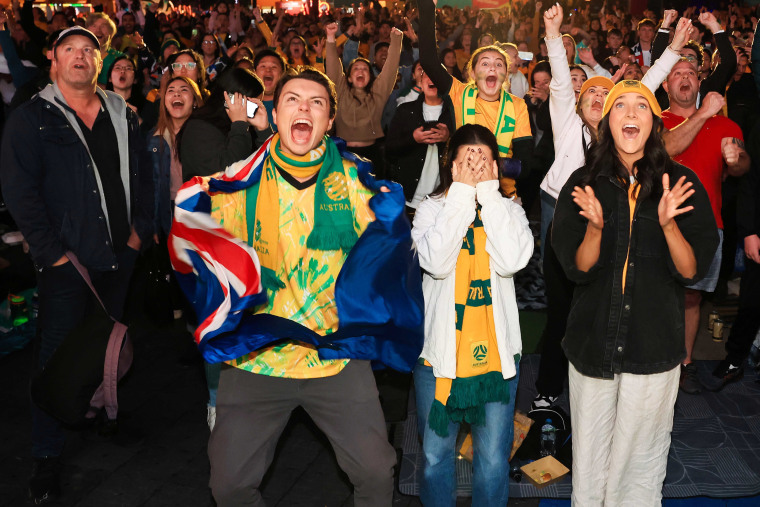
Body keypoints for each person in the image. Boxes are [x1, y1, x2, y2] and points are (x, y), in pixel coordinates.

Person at [187, 68, 416, 506]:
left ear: (330, 121)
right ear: (275, 115)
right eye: (292, 99)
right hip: (258, 358)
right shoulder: (237, 181)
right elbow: (203, 246)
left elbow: (387, 260)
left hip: (334, 356)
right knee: (229, 485)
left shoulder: (357, 183)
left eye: (316, 102)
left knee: (375, 471)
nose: (304, 108)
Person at [0, 26, 152, 504]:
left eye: (88, 49)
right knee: (55, 358)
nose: (79, 57)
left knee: (106, 346)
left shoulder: (123, 114)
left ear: (100, 59)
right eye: (69, 49)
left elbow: (145, 179)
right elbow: (20, 195)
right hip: (66, 266)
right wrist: (54, 256)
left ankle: (103, 415)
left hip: (119, 256)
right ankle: (46, 456)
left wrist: (136, 237)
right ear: (53, 59)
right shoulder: (31, 119)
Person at [551, 79, 719, 506]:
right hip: (593, 341)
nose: (630, 113)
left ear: (655, 123)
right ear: (607, 122)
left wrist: (667, 225)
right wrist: (595, 226)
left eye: (641, 107)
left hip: (653, 343)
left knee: (641, 459)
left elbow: (690, 270)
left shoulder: (680, 183)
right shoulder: (583, 181)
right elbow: (578, 269)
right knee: (589, 457)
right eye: (620, 106)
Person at [531, 3, 689, 410]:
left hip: (611, 213)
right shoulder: (566, 121)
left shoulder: (619, 136)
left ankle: (598, 384)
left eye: (608, 94)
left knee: (601, 299)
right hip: (557, 209)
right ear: (579, 104)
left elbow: (645, 85)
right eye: (592, 94)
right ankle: (549, 392)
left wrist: (672, 50)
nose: (599, 97)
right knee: (562, 301)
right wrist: (553, 32)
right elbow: (563, 83)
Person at [411, 123, 533, 506]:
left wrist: (490, 196)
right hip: (439, 356)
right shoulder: (429, 210)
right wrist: (463, 195)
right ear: (452, 166)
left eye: (485, 161)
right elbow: (435, 263)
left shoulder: (510, 210)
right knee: (434, 458)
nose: (477, 168)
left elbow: (513, 260)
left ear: (497, 168)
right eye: (468, 160)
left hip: (496, 357)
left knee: (494, 460)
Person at [660, 58, 750, 394]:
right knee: (651, 294)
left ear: (699, 83)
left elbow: (742, 166)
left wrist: (735, 159)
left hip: (707, 225)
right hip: (658, 222)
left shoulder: (725, 125)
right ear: (666, 85)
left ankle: (684, 363)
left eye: (691, 74)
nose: (684, 78)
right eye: (676, 74)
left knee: (692, 298)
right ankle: (650, 357)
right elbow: (669, 148)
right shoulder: (655, 121)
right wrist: (703, 113)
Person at [418, 0, 534, 199]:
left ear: (505, 76)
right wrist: (428, 7)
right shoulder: (459, 93)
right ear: (472, 72)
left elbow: (526, 166)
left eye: (499, 65)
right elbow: (428, 60)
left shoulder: (518, 105)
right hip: (462, 194)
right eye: (485, 63)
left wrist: (487, 165)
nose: (492, 68)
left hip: (502, 198)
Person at [324, 21, 402, 179]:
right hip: (342, 155)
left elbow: (390, 69)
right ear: (350, 78)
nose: (361, 71)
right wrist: (330, 38)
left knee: (370, 202)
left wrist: (396, 40)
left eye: (365, 69)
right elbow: (333, 68)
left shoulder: (377, 95)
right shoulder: (340, 92)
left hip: (372, 156)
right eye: (356, 69)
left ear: (370, 77)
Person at [178, 67, 267, 181]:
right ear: (230, 99)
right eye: (251, 104)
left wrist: (263, 131)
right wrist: (239, 125)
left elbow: (270, 167)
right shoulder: (198, 128)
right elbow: (226, 174)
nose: (253, 110)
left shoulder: (245, 128)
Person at [386, 70, 454, 217]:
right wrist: (413, 139)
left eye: (436, 74)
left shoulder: (454, 113)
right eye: (427, 75)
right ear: (420, 82)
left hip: (442, 199)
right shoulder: (405, 110)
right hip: (407, 199)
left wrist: (448, 137)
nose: (431, 79)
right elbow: (390, 149)